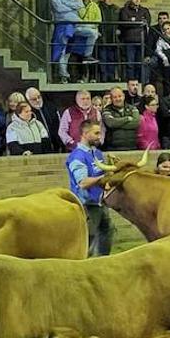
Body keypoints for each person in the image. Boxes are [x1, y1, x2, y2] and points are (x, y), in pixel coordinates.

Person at [66, 120, 112, 257]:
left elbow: (100, 174)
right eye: (96, 133)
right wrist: (103, 177)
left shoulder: (97, 153)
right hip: (86, 205)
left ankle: (103, 262)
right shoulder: (78, 156)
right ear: (85, 134)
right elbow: (83, 182)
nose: (100, 136)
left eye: (100, 132)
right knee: (88, 239)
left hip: (100, 202)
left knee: (106, 231)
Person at [50, 0, 84, 82]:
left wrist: (65, 3)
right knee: (61, 49)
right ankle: (63, 74)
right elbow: (58, 8)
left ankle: (65, 72)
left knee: (71, 48)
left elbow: (80, 5)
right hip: (62, 23)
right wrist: (71, 7)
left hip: (74, 23)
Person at [118, 0, 151, 83]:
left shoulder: (144, 10)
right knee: (130, 63)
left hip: (141, 41)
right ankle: (131, 81)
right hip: (129, 40)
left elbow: (147, 22)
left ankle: (139, 81)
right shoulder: (124, 10)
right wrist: (139, 21)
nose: (137, 0)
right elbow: (125, 23)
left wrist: (133, 21)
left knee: (139, 63)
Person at [101, 86, 140, 151]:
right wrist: (127, 119)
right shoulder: (106, 110)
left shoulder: (133, 108)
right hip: (113, 149)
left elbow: (136, 123)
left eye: (119, 96)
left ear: (124, 96)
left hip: (132, 148)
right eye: (115, 97)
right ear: (111, 98)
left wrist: (117, 123)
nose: (118, 99)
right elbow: (111, 123)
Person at [77, 0, 102, 65]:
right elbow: (76, 20)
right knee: (94, 33)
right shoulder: (76, 5)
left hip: (90, 28)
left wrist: (90, 26)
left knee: (93, 33)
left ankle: (87, 56)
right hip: (78, 28)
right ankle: (87, 55)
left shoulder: (95, 6)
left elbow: (98, 20)